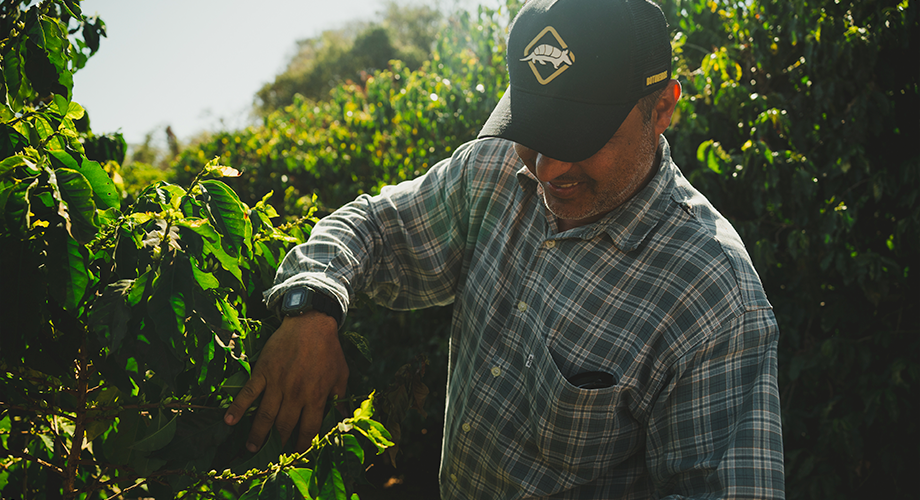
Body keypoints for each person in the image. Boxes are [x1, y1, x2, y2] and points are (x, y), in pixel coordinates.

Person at [224, 0, 786, 497]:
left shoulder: (713, 300)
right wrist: (313, 309)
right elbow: (376, 226)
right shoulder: (494, 171)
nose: (548, 168)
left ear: (661, 108)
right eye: (536, 131)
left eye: (581, 138)